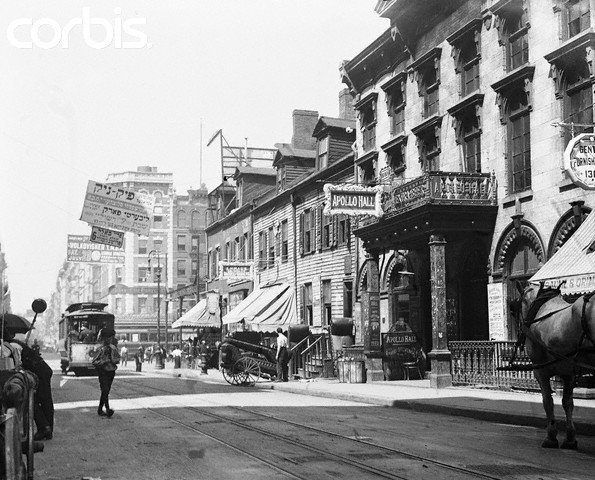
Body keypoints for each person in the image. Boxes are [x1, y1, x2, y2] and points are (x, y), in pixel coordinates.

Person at [7, 332, 54, 441]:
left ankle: (45, 428)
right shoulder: (16, 344)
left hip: (40, 373)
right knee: (44, 400)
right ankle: (47, 429)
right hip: (42, 371)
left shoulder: (13, 346)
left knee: (35, 400)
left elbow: (16, 365)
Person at [90, 328, 120, 417]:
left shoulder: (113, 348)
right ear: (103, 338)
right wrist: (103, 362)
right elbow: (94, 361)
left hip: (111, 371)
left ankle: (100, 409)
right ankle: (107, 409)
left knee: (106, 391)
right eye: (107, 338)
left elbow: (118, 358)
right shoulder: (99, 349)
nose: (108, 340)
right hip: (102, 371)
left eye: (110, 338)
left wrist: (114, 360)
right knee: (105, 390)